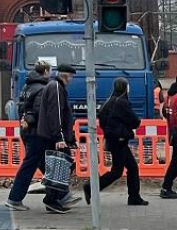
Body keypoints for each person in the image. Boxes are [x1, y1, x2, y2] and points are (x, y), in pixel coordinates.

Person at [84, 78, 147, 206]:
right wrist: (127, 132)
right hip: (120, 140)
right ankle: (91, 187)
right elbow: (135, 121)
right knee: (117, 171)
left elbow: (103, 121)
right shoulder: (122, 102)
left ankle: (134, 197)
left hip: (114, 140)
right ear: (125, 88)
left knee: (132, 167)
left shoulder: (108, 101)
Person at [5, 61, 51, 211]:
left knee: (44, 165)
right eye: (49, 71)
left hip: (27, 131)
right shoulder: (42, 89)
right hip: (37, 132)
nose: (50, 74)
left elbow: (23, 108)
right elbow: (39, 112)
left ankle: (60, 194)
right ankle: (15, 198)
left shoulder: (27, 86)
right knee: (29, 166)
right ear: (45, 72)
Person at [36, 64, 78, 214]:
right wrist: (60, 136)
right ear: (65, 75)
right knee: (59, 167)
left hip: (53, 136)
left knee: (61, 167)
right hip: (54, 137)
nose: (71, 80)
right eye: (71, 76)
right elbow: (56, 114)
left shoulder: (54, 86)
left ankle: (59, 197)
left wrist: (69, 138)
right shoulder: (56, 88)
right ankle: (52, 199)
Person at [161, 82, 177, 198]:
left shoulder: (169, 97)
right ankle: (166, 187)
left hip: (173, 132)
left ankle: (166, 187)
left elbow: (164, 113)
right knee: (175, 163)